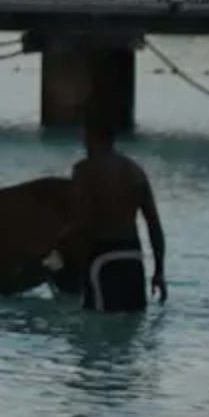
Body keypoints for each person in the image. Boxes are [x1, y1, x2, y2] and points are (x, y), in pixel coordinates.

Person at [60, 107, 165, 313]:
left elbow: (82, 219)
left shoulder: (84, 170)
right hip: (134, 259)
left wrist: (57, 245)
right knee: (130, 330)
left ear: (91, 135)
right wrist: (159, 271)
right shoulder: (136, 171)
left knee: (97, 331)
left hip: (102, 259)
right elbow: (153, 223)